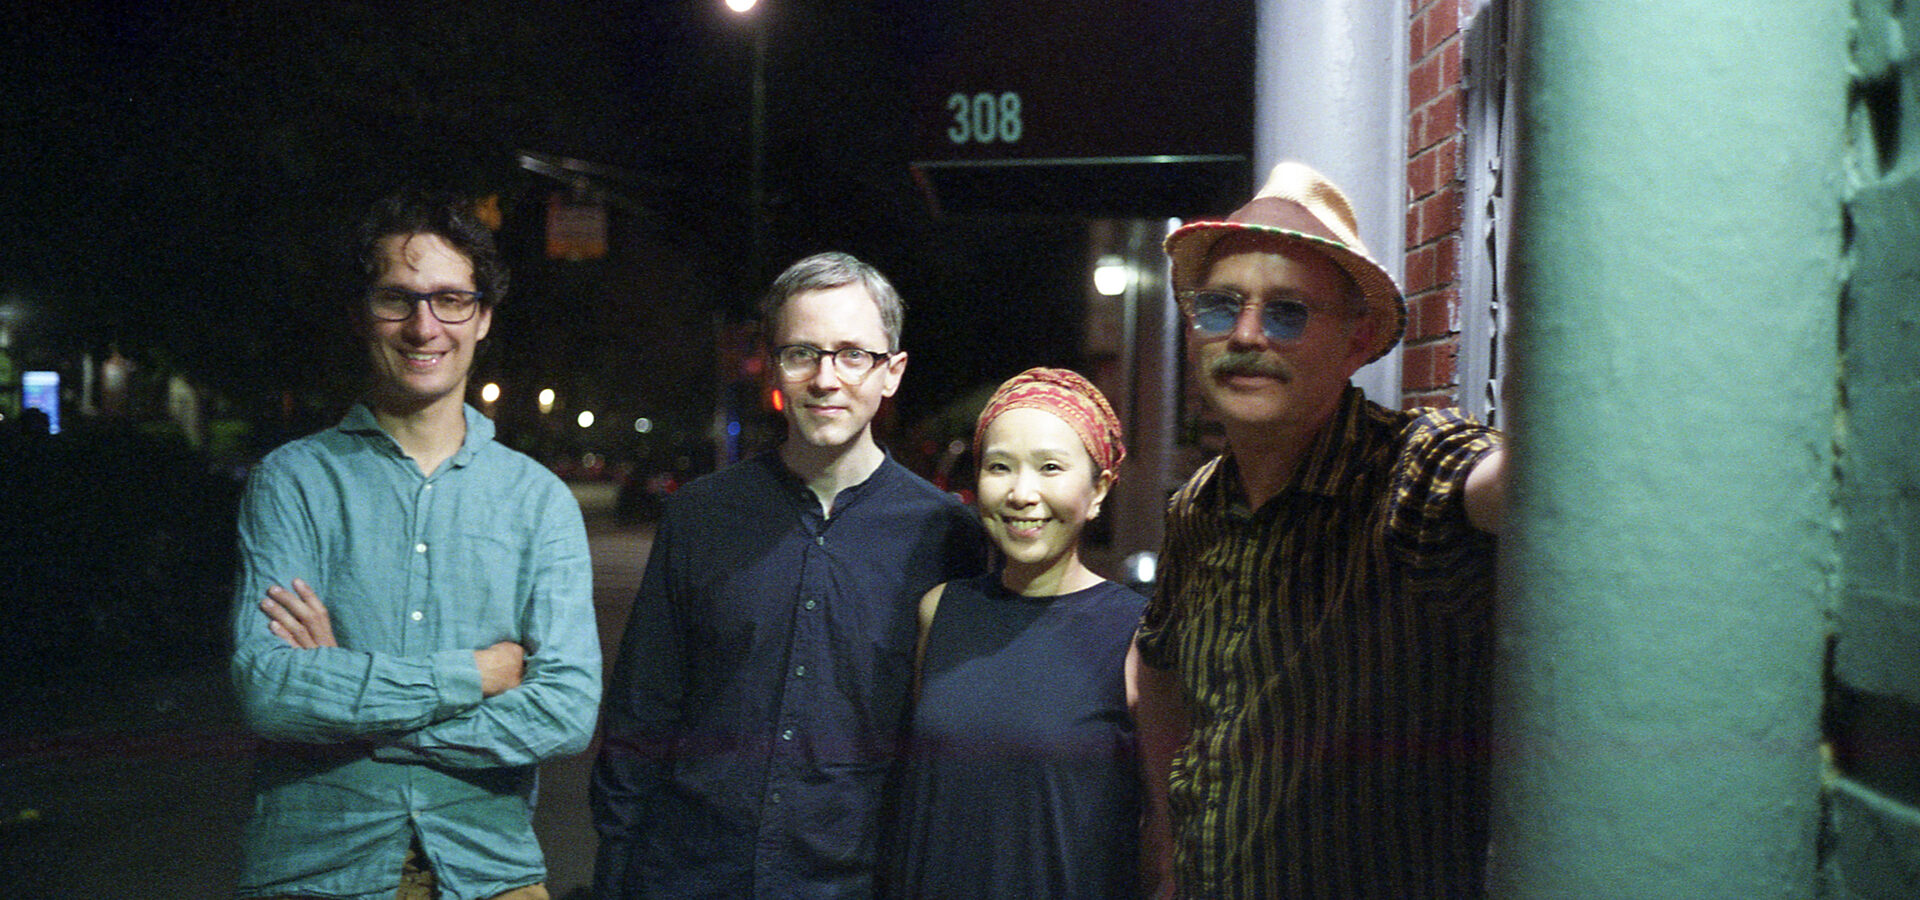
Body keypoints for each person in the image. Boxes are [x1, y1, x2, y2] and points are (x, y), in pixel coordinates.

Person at [1131, 161, 1509, 899]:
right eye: (1220, 307)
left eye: (1287, 312)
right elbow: (1157, 663)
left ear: (1357, 342)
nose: (1246, 335)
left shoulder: (1406, 471)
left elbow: (1517, 488)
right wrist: (1168, 845)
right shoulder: (1198, 505)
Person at [229, 189, 601, 900]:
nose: (424, 327)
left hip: (490, 872)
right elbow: (271, 690)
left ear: (483, 317)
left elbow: (565, 710)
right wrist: (473, 675)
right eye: (397, 299)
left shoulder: (539, 501)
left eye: (451, 300)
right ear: (360, 314)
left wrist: (355, 711)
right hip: (317, 871)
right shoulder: (293, 481)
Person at [591, 251, 989, 899]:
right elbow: (643, 708)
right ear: (773, 366)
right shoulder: (700, 516)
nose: (826, 379)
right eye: (803, 353)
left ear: (892, 372)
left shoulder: (948, 536)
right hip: (690, 875)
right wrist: (616, 868)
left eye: (853, 355)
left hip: (858, 883)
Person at [883, 367, 1172, 899]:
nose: (1021, 492)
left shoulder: (1138, 635)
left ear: (1099, 490)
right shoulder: (940, 611)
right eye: (1000, 467)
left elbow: (1165, 841)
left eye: (1050, 468)